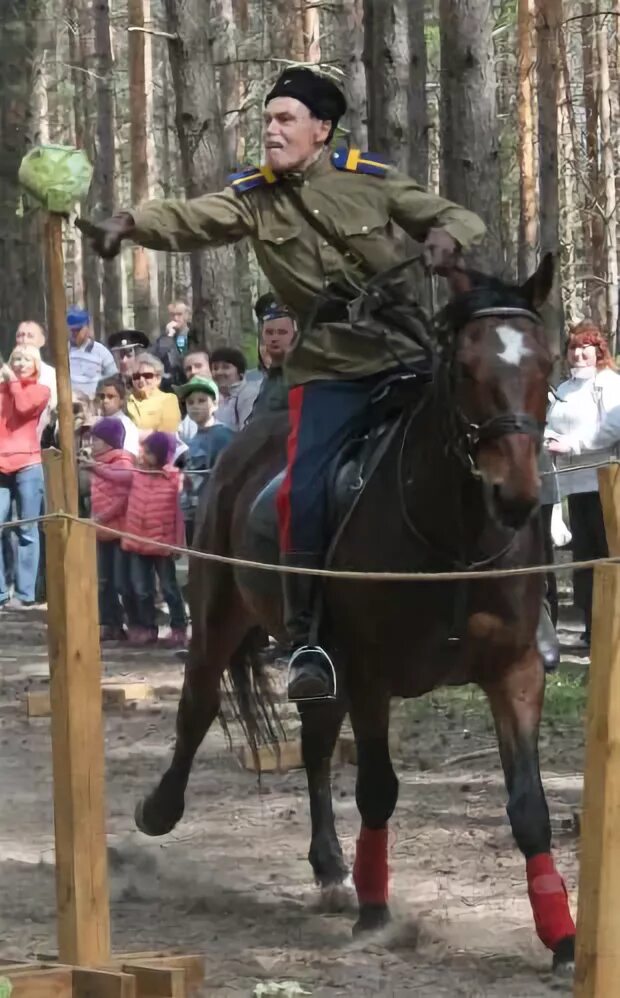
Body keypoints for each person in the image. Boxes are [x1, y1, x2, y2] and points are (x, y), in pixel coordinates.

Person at [80, 65, 486, 700]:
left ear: (321, 129)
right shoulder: (253, 195)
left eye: (284, 119)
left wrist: (442, 236)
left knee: (492, 443)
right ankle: (308, 639)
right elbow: (191, 219)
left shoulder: (370, 181)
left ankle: (522, 605)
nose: (270, 129)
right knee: (303, 489)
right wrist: (129, 223)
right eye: (267, 119)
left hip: (407, 354)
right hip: (329, 369)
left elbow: (458, 215)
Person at [545, 321, 620, 646]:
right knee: (585, 561)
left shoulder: (609, 383)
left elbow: (612, 427)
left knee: (608, 558)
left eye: (585, 347)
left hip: (605, 483)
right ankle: (592, 630)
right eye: (574, 348)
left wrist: (573, 445)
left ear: (598, 351)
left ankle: (611, 631)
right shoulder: (562, 390)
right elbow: (547, 424)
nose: (578, 353)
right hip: (572, 487)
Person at [122, 431, 187, 648]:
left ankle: (179, 627)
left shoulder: (173, 479)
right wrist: (95, 468)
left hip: (162, 544)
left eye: (148, 452)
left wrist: (178, 543)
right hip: (138, 542)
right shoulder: (136, 474)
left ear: (160, 456)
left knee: (169, 588)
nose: (143, 455)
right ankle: (149, 628)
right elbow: (115, 476)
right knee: (141, 588)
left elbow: (179, 515)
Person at [0, 346, 50, 608]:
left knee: (27, 529)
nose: (19, 364)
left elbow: (22, 409)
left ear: (36, 365)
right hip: (1, 464)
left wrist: (12, 383)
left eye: (25, 360)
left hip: (28, 464)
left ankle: (24, 593)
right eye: (15, 359)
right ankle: (0, 592)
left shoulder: (41, 391)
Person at [85, 417, 136, 641]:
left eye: (95, 439)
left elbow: (123, 495)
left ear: (108, 442)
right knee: (103, 581)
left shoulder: (122, 461)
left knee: (121, 582)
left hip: (119, 531)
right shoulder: (98, 463)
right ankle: (109, 623)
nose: (91, 443)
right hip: (102, 531)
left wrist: (102, 517)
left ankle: (135, 623)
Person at [174, 376, 235, 542]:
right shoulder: (193, 438)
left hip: (212, 513)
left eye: (202, 401)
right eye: (190, 402)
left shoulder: (223, 436)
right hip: (192, 511)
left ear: (215, 404)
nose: (195, 406)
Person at [250, 296, 296, 419]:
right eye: (269, 332)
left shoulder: (299, 377)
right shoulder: (269, 378)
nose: (275, 338)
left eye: (282, 332)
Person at [126, 352, 181, 437]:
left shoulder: (168, 399)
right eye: (136, 376)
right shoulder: (127, 400)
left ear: (158, 378)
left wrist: (137, 435)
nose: (141, 380)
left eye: (147, 375)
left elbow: (167, 434)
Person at [67, 307, 117, 397]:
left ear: (87, 328)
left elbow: (114, 378)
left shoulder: (101, 352)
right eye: (72, 330)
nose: (74, 333)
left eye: (78, 330)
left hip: (94, 402)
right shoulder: (64, 351)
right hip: (70, 403)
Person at [15, 320, 58, 420]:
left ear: (42, 340)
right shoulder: (6, 373)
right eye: (20, 335)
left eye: (30, 336)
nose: (24, 340)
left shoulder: (51, 375)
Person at [210, 346, 259, 431]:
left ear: (240, 372)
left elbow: (247, 432)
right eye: (215, 368)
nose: (219, 372)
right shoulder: (213, 397)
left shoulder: (249, 395)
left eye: (225, 367)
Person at [153, 301, 196, 390]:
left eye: (179, 314)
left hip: (186, 383)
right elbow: (155, 359)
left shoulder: (192, 336)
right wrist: (169, 336)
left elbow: (180, 360)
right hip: (165, 387)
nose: (175, 318)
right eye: (172, 315)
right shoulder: (163, 339)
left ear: (187, 316)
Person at [95, 375, 140, 457]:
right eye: (102, 396)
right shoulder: (96, 421)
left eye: (110, 396)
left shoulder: (127, 426)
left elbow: (129, 455)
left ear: (122, 401)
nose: (105, 401)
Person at [178, 351, 212, 442]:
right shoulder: (185, 402)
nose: (193, 372)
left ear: (211, 367)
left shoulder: (226, 397)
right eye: (188, 369)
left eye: (198, 366)